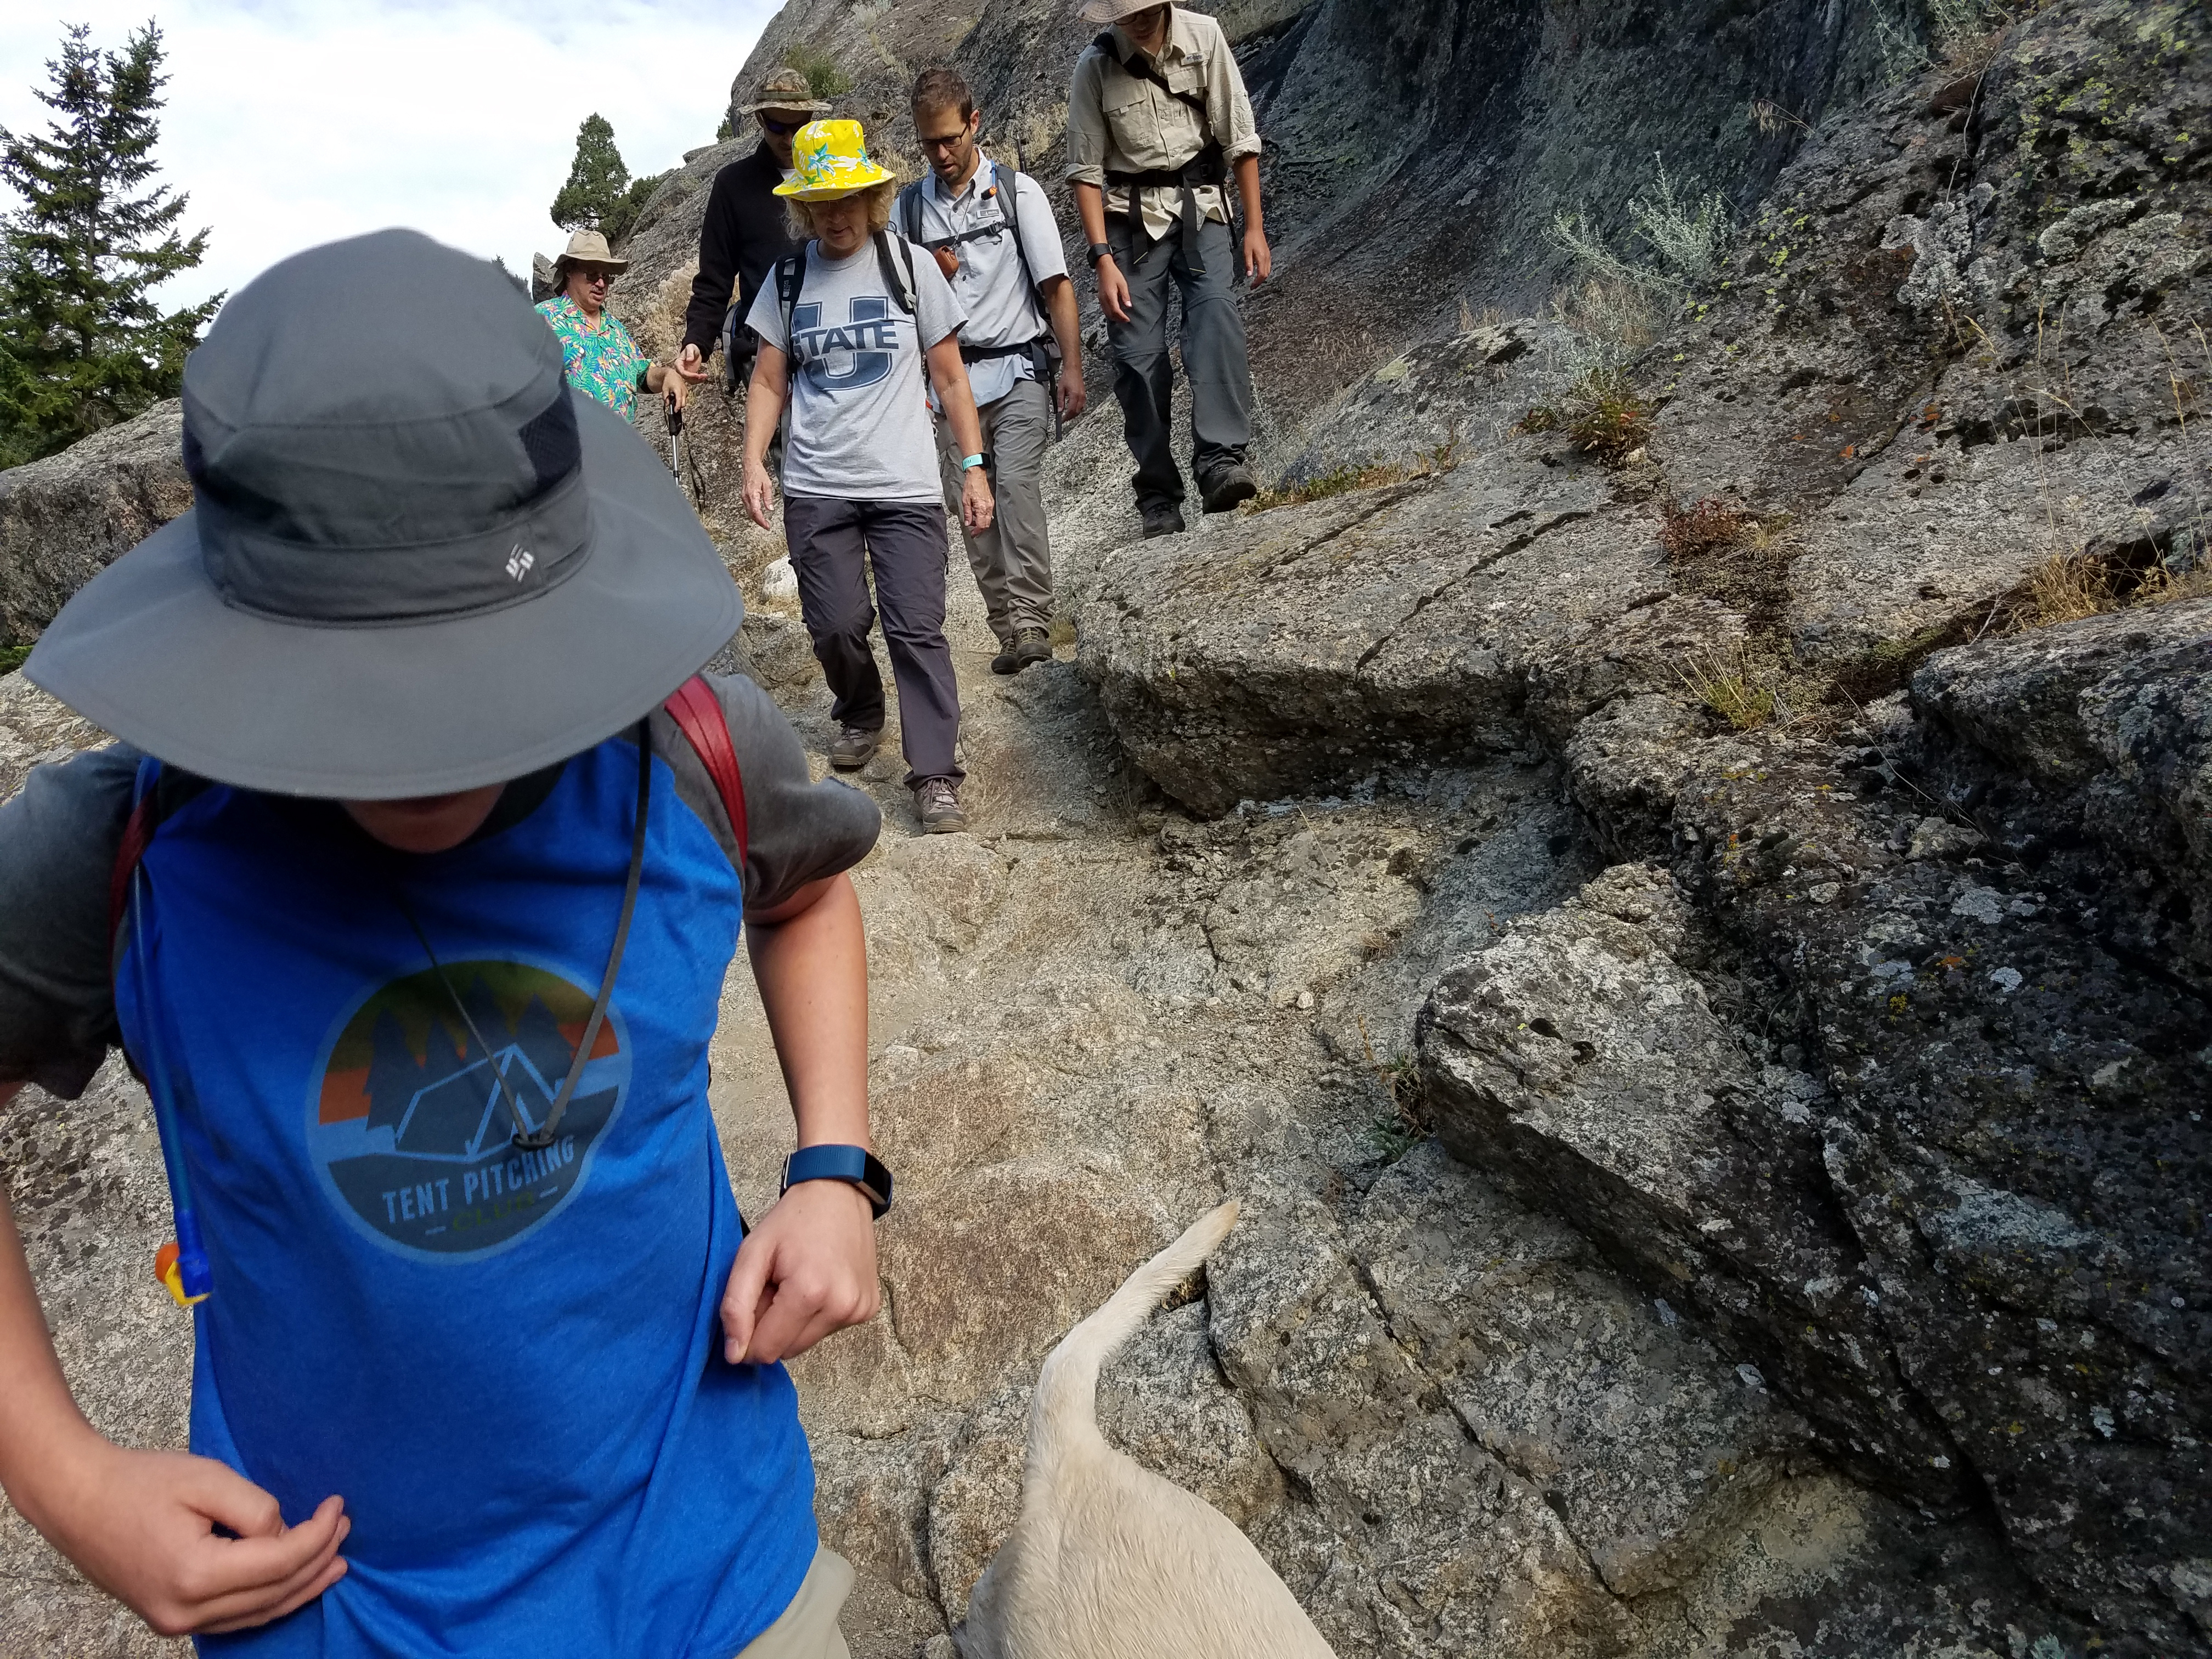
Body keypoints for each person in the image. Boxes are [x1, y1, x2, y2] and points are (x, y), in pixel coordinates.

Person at [0, 228, 890, 1657]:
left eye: (475, 666)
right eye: (357, 683)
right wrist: (65, 1481)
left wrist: (838, 1169)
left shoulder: (696, 751)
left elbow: (808, 893)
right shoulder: (125, 848)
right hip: (334, 1607)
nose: (422, 747)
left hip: (711, 1563)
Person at [741, 121, 994, 836]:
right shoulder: (787, 281)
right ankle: (859, 709)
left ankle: (936, 774)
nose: (835, 213)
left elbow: (950, 379)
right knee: (837, 624)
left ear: (871, 196)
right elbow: (768, 380)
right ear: (803, 208)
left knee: (916, 628)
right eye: (820, 202)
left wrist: (973, 469)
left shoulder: (909, 266)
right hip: (818, 485)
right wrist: (753, 460)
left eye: (848, 197)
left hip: (907, 485)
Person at [900, 67, 1086, 678]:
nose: (942, 153)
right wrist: (929, 270)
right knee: (971, 509)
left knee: (1015, 491)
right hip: (952, 389)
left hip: (1019, 371)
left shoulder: (1017, 192)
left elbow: (1056, 286)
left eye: (951, 138)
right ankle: (1006, 626)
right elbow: (902, 302)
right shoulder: (909, 211)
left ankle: (1032, 621)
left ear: (975, 122)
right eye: (930, 143)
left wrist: (1073, 368)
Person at [1066, 0, 1270, 538]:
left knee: (1216, 317)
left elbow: (1240, 137)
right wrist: (1101, 259)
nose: (1132, 18)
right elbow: (1086, 174)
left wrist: (1252, 227)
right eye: (1121, 11)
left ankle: (1221, 461)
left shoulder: (1205, 38)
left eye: (1141, 8)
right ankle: (1158, 494)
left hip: (1201, 205)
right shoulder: (1095, 67)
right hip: (1129, 224)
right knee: (1137, 358)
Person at [674, 68, 832, 394]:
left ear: (812, 119)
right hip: (767, 357)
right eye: (777, 126)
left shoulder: (836, 179)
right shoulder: (733, 185)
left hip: (835, 345)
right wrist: (697, 342)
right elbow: (714, 279)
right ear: (760, 120)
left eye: (799, 126)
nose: (789, 138)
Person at [537, 227, 686, 422]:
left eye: (606, 277)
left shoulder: (616, 329)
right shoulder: (542, 318)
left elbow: (642, 375)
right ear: (569, 272)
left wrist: (668, 375)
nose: (600, 283)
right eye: (592, 274)